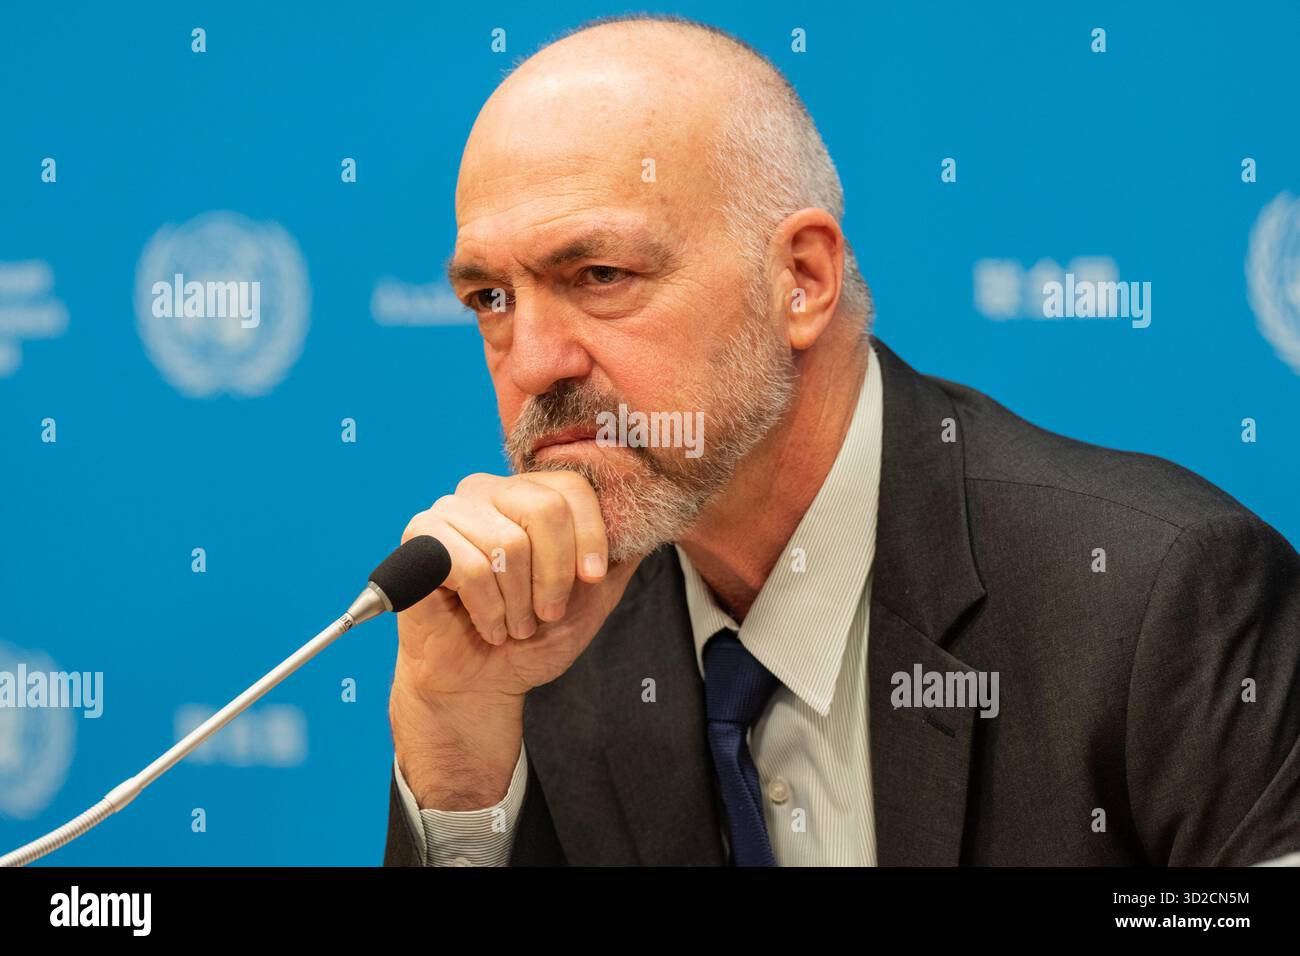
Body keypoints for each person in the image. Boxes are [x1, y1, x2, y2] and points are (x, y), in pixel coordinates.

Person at [383, 15, 1300, 866]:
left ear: (803, 280)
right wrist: (457, 749)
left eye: (600, 273)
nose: (533, 361)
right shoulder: (535, 634)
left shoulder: (1150, 597)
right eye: (490, 300)